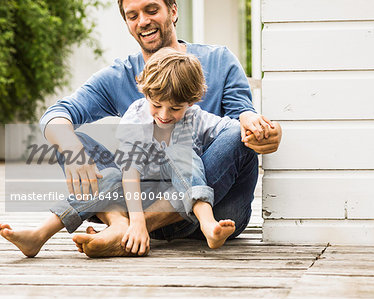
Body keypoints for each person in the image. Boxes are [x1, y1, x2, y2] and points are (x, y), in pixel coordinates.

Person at [1, 0, 282, 258]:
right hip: (138, 193)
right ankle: (122, 226)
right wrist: (73, 148)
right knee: (71, 140)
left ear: (173, 10)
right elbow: (56, 115)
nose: (142, 21)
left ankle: (124, 230)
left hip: (214, 209)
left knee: (209, 145)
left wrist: (263, 131)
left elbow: (242, 118)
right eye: (132, 15)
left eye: (151, 10)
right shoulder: (122, 79)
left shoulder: (219, 60)